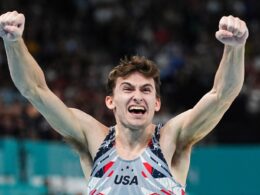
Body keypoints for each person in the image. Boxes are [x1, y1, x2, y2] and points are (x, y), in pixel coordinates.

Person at [0, 11, 248, 195]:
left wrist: (235, 49)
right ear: (111, 101)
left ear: (157, 103)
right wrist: (13, 43)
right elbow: (34, 90)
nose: (137, 95)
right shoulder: (93, 140)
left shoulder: (172, 139)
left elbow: (221, 96)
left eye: (146, 90)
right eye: (127, 88)